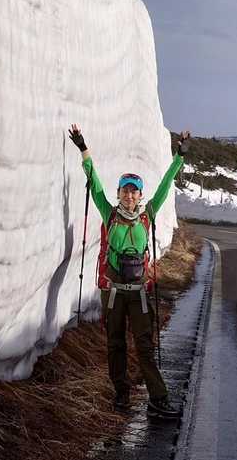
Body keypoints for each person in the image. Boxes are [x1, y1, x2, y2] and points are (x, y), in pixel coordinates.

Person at [68, 124, 191, 418]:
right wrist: (83, 148)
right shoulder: (109, 214)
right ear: (119, 193)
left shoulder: (147, 216)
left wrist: (180, 155)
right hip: (112, 293)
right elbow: (94, 183)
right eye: (125, 190)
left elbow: (165, 185)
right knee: (116, 345)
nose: (130, 196)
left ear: (140, 195)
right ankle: (121, 395)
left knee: (144, 346)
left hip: (139, 294)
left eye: (134, 191)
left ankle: (158, 399)